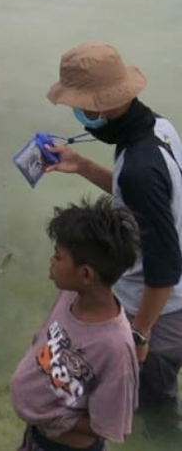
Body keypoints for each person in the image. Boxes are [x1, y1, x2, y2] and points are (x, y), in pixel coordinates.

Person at [45, 43, 182, 423]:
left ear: (99, 107)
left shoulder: (139, 166)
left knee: (150, 412)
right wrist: (84, 165)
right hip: (168, 299)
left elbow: (166, 266)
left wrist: (139, 334)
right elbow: (140, 201)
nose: (78, 115)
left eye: (79, 106)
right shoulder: (156, 127)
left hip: (161, 311)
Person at [10, 197, 141, 451]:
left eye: (58, 257)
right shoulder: (71, 294)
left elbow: (110, 425)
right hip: (37, 436)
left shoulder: (114, 349)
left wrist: (54, 414)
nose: (51, 262)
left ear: (85, 274)